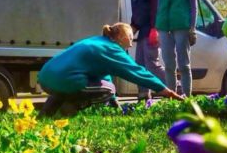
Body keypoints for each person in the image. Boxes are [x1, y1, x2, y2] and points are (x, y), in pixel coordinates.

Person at [38, 23, 183, 117]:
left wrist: (115, 104)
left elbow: (104, 76)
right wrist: (167, 91)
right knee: (110, 89)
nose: (131, 45)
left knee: (65, 85)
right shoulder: (112, 49)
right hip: (65, 80)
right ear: (120, 36)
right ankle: (69, 108)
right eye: (130, 39)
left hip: (45, 78)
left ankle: (45, 114)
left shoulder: (99, 41)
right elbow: (138, 73)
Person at [156, 0, 198, 96]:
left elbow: (194, 6)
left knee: (184, 65)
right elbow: (160, 5)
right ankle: (172, 97)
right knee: (168, 64)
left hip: (181, 26)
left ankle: (187, 97)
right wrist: (157, 27)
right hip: (164, 27)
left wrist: (192, 28)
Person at [129, 0, 165, 100]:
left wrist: (155, 29)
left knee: (152, 65)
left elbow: (156, 10)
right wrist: (129, 32)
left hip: (152, 33)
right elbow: (136, 18)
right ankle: (144, 96)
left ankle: (176, 89)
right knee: (140, 66)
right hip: (141, 35)